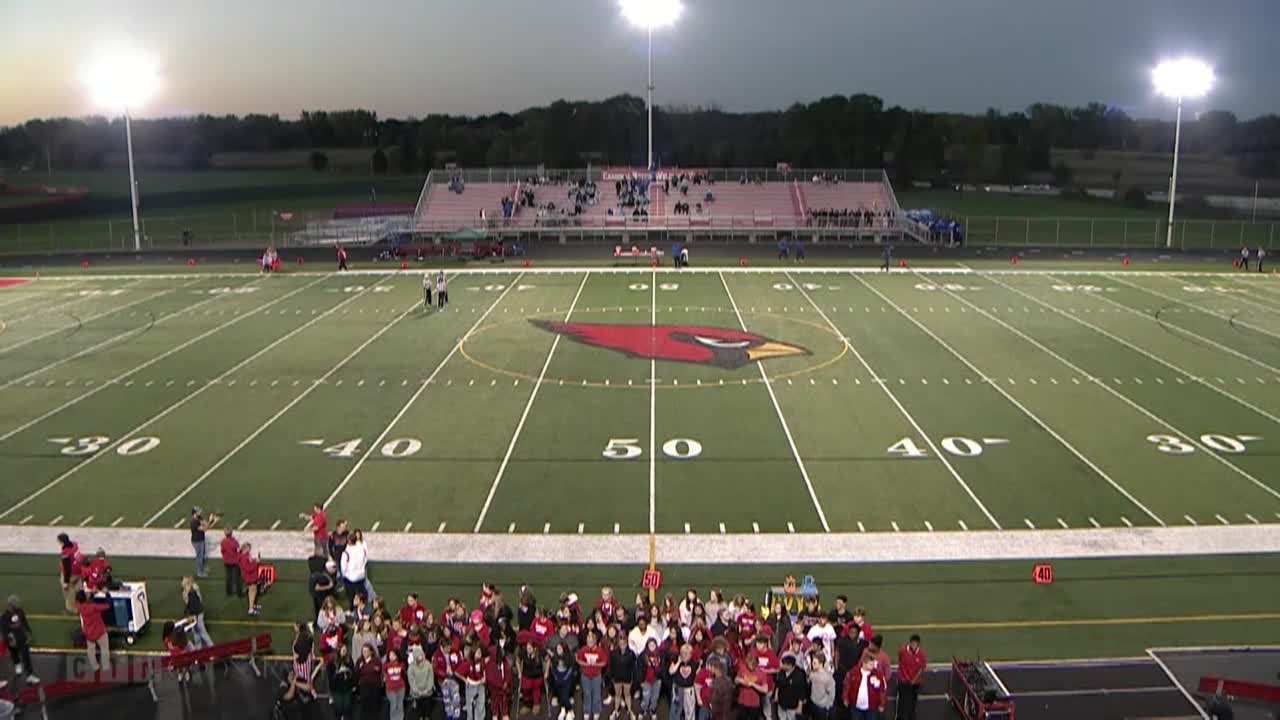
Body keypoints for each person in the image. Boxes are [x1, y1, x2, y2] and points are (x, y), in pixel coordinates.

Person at [2, 596, 36, 684]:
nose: (16, 605)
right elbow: (4, 631)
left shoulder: (20, 611)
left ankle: (30, 675)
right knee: (14, 654)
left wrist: (29, 634)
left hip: (22, 638)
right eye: (15, 603)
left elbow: (25, 623)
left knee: (26, 656)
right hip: (12, 640)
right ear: (10, 604)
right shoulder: (4, 616)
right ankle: (17, 665)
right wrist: (10, 640)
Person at [75, 589, 111, 672]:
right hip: (99, 632)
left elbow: (84, 600)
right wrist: (107, 594)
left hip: (88, 633)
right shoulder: (93, 607)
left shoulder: (79, 607)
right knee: (104, 649)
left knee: (91, 650)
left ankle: (95, 667)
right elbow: (108, 606)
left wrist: (92, 593)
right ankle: (105, 667)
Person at [842, 654, 885, 720]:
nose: (873, 666)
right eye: (870, 664)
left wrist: (882, 703)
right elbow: (846, 686)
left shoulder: (878, 675)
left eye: (873, 664)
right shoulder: (853, 672)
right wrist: (845, 698)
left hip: (872, 708)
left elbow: (882, 690)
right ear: (864, 663)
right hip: (856, 708)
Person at [577, 631, 607, 720]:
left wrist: (595, 665)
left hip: (596, 676)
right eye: (588, 640)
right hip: (585, 676)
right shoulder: (583, 650)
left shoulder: (600, 651)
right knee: (586, 694)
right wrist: (586, 664)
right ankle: (587, 711)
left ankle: (596, 711)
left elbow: (604, 662)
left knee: (596, 694)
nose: (589, 642)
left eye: (591, 641)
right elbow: (578, 660)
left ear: (595, 641)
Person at [895, 635, 926, 720]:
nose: (913, 645)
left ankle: (911, 718)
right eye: (912, 643)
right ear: (910, 642)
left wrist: (914, 680)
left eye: (915, 643)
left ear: (918, 644)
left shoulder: (921, 654)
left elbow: (921, 669)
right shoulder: (903, 650)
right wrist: (907, 678)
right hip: (903, 681)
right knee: (902, 703)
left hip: (915, 683)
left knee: (912, 703)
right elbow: (900, 663)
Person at [341, 529, 375, 606]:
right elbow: (365, 559)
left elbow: (343, 567)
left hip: (350, 578)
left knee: (351, 595)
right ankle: (364, 606)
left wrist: (345, 574)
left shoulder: (346, 552)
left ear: (349, 541)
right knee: (362, 592)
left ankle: (353, 609)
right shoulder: (361, 549)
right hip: (360, 575)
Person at [180, 577, 213, 649]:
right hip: (194, 614)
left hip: (198, 613)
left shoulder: (193, 591)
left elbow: (196, 602)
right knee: (196, 633)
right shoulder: (185, 593)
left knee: (202, 632)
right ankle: (199, 649)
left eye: (185, 584)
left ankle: (211, 647)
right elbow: (188, 604)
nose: (183, 585)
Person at [328, 643, 358, 720]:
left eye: (346, 650)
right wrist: (338, 672)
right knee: (338, 706)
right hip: (337, 688)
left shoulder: (349, 660)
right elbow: (330, 677)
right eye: (343, 650)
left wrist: (348, 672)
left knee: (347, 706)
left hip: (347, 687)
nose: (345, 652)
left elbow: (353, 672)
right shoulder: (332, 662)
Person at [775, 654, 808, 720]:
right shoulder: (781, 672)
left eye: (785, 664)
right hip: (781, 703)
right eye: (783, 664)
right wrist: (776, 695)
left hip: (792, 705)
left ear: (791, 665)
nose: (783, 666)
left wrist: (800, 706)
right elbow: (778, 684)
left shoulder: (799, 675)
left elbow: (802, 692)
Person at [356, 641, 384, 719]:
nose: (364, 653)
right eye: (363, 651)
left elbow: (378, 671)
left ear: (371, 652)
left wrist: (368, 668)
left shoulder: (376, 660)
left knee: (374, 706)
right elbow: (357, 672)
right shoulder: (359, 661)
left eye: (366, 651)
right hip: (364, 686)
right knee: (365, 706)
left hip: (375, 686)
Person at [486, 642, 513, 720]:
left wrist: (506, 682)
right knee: (495, 710)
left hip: (504, 692)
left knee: (505, 709)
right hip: (495, 692)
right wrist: (501, 685)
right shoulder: (490, 665)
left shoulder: (504, 662)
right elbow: (491, 679)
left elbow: (508, 673)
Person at [189, 507, 219, 578]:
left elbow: (206, 524)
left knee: (202, 555)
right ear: (195, 513)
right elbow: (205, 529)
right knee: (200, 556)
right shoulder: (193, 523)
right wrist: (213, 521)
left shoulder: (199, 517)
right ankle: (199, 572)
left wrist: (210, 520)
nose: (200, 512)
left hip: (201, 539)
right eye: (198, 511)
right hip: (197, 541)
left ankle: (201, 568)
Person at [57, 533, 82, 613]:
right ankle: (82, 603)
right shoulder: (75, 545)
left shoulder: (65, 552)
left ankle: (72, 609)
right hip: (79, 571)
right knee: (78, 589)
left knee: (69, 592)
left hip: (71, 574)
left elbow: (67, 568)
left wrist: (66, 582)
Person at [238, 541, 263, 616]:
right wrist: (256, 562)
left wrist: (255, 561)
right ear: (245, 549)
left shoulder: (246, 555)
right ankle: (251, 609)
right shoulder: (243, 557)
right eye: (249, 548)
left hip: (251, 576)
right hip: (249, 576)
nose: (250, 550)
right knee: (252, 591)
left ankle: (253, 605)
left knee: (253, 591)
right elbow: (248, 568)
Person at [807, 653, 834, 720]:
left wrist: (827, 706)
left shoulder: (827, 677)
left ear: (820, 664)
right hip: (813, 703)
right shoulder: (813, 674)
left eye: (815, 663)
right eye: (812, 662)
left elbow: (831, 694)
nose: (812, 664)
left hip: (822, 707)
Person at [385, 647, 408, 720]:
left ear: (397, 655)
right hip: (390, 688)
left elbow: (404, 675)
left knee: (400, 704)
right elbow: (384, 676)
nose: (391, 656)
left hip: (401, 687)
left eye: (393, 655)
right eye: (390, 655)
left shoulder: (401, 665)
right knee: (394, 704)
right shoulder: (386, 665)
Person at [219, 528, 241, 597]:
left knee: (228, 576)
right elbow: (238, 550)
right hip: (235, 561)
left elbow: (222, 551)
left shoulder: (223, 541)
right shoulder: (234, 541)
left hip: (227, 561)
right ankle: (238, 592)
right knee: (237, 577)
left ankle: (229, 592)